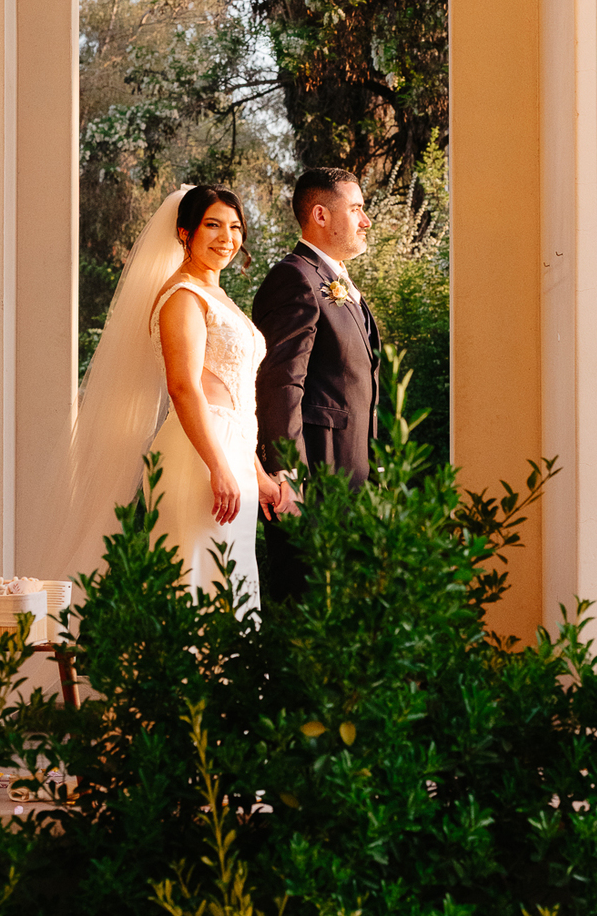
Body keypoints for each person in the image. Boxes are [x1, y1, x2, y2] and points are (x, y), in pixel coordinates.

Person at [39, 183, 290, 611]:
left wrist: (259, 476)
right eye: (212, 225)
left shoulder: (218, 295)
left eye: (234, 227)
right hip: (198, 458)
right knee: (196, 585)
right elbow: (184, 388)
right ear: (184, 232)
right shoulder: (183, 297)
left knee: (228, 590)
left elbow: (233, 405)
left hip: (230, 454)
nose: (226, 237)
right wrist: (218, 466)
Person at [252, 168, 381, 594]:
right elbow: (280, 383)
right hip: (314, 483)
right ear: (321, 215)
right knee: (309, 607)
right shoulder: (294, 278)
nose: (365, 221)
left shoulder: (334, 280)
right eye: (356, 209)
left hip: (351, 481)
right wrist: (286, 474)